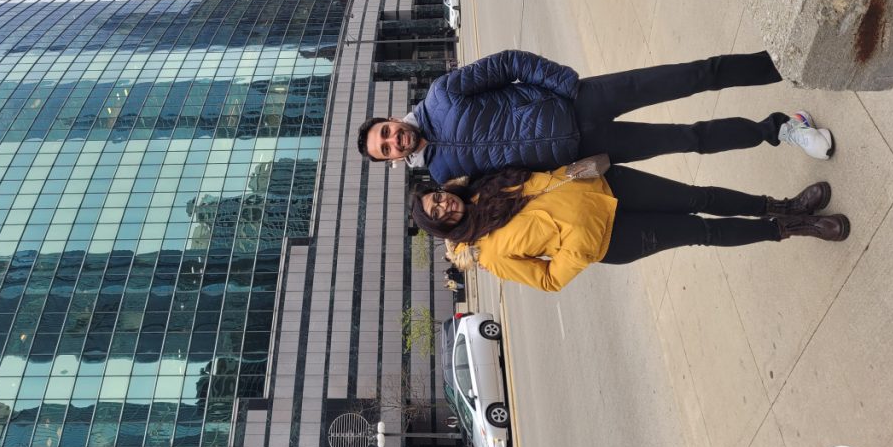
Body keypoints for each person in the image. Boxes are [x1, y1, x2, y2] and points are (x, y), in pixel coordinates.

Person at [357, 50, 834, 184]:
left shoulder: (441, 96)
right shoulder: (444, 176)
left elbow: (507, 64)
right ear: (391, 162)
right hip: (581, 152)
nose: (393, 140)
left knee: (687, 76)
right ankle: (782, 129)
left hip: (579, 102)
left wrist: (563, 83)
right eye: (386, 149)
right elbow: (507, 187)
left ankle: (785, 62)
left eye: (386, 132)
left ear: (389, 119)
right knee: (688, 139)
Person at [409, 160, 849, 293]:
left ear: (443, 190)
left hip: (607, 185)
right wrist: (578, 248)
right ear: (442, 229)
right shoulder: (489, 256)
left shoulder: (484, 188)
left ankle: (783, 205)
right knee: (702, 230)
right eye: (438, 215)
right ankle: (795, 228)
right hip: (610, 238)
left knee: (700, 196)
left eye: (438, 199)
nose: (444, 206)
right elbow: (546, 280)